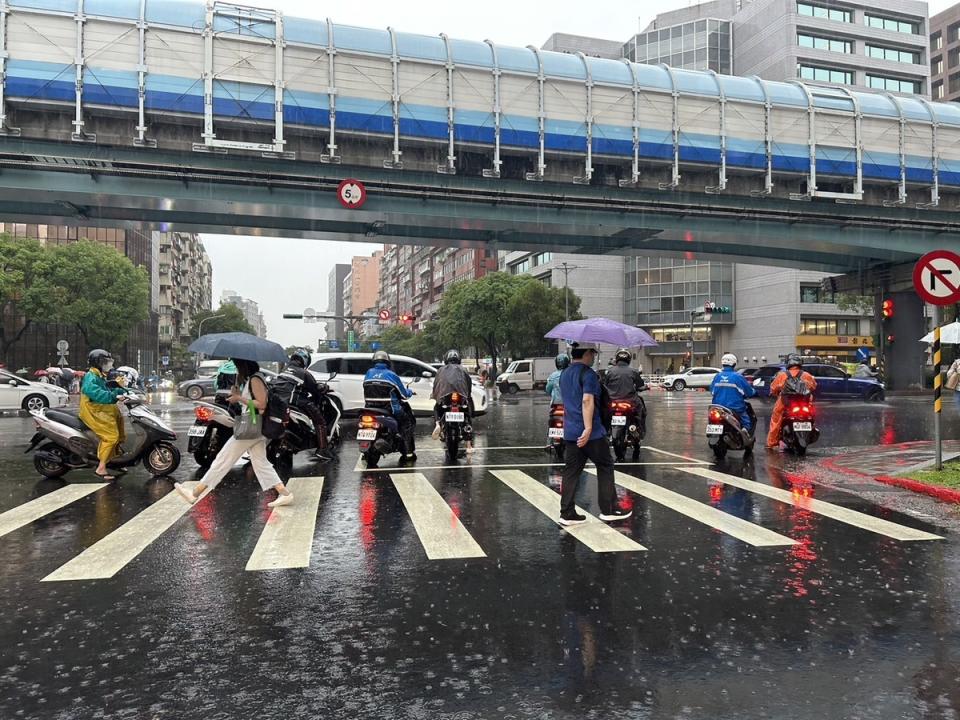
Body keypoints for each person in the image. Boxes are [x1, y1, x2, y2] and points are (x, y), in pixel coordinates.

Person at [175, 358, 293, 507]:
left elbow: (261, 404)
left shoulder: (255, 379)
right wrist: (237, 395)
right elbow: (251, 402)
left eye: (237, 366)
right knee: (261, 463)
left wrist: (239, 398)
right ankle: (284, 493)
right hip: (255, 428)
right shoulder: (252, 378)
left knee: (223, 460)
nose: (236, 370)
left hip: (251, 428)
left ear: (243, 365)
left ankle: (194, 493)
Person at [558, 342, 631, 526]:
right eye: (593, 353)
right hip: (590, 432)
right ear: (587, 353)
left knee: (571, 471)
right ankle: (609, 509)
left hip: (571, 431)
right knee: (605, 464)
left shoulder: (564, 374)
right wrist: (588, 428)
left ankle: (566, 512)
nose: (594, 357)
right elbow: (587, 401)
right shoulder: (588, 374)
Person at [79, 349, 130, 481]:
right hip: (93, 411)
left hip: (102, 409)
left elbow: (108, 389)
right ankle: (101, 467)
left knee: (120, 428)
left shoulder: (99, 375)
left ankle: (113, 460)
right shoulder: (91, 377)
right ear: (97, 363)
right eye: (105, 362)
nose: (108, 364)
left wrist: (120, 388)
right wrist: (114, 395)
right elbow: (97, 394)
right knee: (111, 437)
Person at [364, 350, 417, 460]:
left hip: (370, 408)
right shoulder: (391, 375)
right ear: (388, 362)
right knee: (406, 424)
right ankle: (408, 453)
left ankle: (366, 454)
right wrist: (410, 392)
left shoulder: (368, 373)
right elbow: (404, 395)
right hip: (390, 409)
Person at [286, 348, 333, 461]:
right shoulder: (304, 373)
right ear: (304, 360)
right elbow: (315, 389)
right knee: (320, 421)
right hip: (296, 401)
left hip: (281, 402)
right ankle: (323, 450)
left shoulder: (284, 370)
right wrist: (323, 389)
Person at [767, 354, 817, 450]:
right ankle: (811, 431)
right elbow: (814, 386)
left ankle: (772, 443)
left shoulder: (782, 375)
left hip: (785, 403)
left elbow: (773, 389)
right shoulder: (806, 375)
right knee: (812, 415)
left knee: (776, 420)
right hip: (804, 403)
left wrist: (775, 392)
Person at [430, 349, 475, 453]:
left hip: (445, 397)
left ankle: (438, 424)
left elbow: (436, 384)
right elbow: (469, 384)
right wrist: (467, 395)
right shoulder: (463, 369)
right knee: (467, 413)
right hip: (461, 397)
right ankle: (468, 442)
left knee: (437, 407)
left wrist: (435, 395)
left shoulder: (441, 370)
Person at [603, 348, 648, 434]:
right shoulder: (633, 371)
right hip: (630, 401)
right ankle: (640, 428)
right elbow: (640, 384)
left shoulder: (610, 371)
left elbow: (605, 384)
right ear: (629, 359)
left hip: (612, 401)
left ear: (617, 358)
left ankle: (606, 430)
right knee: (641, 408)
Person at [709, 353, 757, 434]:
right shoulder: (738, 377)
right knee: (746, 419)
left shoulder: (717, 376)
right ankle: (745, 431)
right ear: (734, 363)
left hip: (718, 408)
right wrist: (755, 392)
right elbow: (749, 392)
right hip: (735, 408)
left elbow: (712, 391)